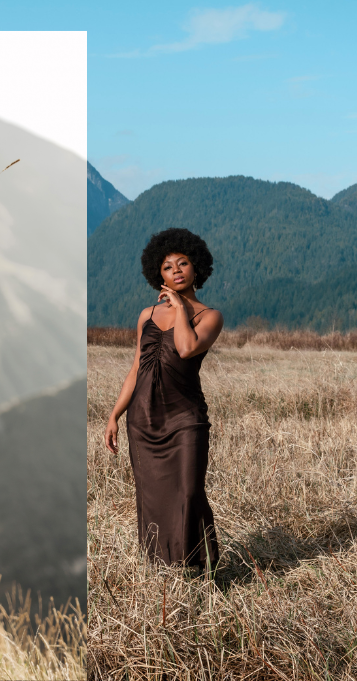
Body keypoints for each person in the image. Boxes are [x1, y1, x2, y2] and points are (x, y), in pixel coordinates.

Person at [104, 228, 224, 572]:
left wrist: (180, 309)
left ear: (196, 267)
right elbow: (135, 369)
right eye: (168, 266)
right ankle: (163, 570)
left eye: (183, 263)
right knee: (152, 497)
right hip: (142, 419)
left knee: (188, 492)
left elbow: (186, 348)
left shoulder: (210, 316)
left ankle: (199, 568)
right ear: (158, 274)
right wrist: (115, 414)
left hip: (185, 417)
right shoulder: (146, 316)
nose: (176, 271)